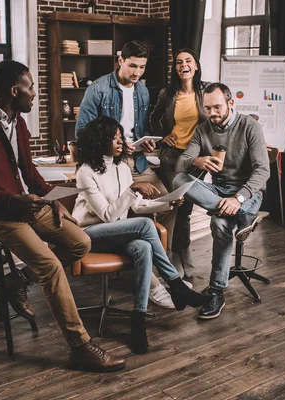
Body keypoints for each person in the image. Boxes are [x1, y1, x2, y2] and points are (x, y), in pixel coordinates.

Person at [0, 60, 125, 372]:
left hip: (28, 207)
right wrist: (12, 200)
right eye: (30, 86)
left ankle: (16, 281)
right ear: (13, 89)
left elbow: (29, 171)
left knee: (80, 242)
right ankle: (80, 347)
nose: (34, 93)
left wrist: (52, 199)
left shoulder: (17, 122)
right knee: (49, 265)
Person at [72, 116, 211, 354]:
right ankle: (176, 285)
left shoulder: (123, 168)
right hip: (89, 235)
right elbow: (107, 215)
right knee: (146, 227)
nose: (120, 142)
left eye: (120, 137)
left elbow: (135, 208)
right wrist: (132, 189)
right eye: (114, 138)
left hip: (117, 233)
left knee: (144, 247)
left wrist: (168, 204)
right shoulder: (85, 172)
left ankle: (138, 319)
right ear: (99, 140)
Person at [76, 40, 178, 309]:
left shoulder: (142, 91)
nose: (137, 73)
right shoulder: (98, 89)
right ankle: (157, 283)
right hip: (109, 162)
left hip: (136, 162)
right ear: (120, 60)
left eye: (142, 67)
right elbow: (82, 133)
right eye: (132, 65)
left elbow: (141, 127)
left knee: (169, 203)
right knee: (125, 213)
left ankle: (156, 271)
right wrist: (115, 144)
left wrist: (146, 143)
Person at [173, 82, 270, 320]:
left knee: (219, 224)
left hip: (247, 193)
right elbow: (182, 162)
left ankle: (216, 290)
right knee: (179, 180)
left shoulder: (250, 126)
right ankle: (242, 218)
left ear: (230, 103)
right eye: (208, 109)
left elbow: (263, 171)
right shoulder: (203, 129)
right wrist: (195, 162)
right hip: (218, 190)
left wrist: (238, 198)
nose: (212, 113)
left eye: (217, 107)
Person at [150, 48, 207, 281]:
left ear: (195, 66)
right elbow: (153, 117)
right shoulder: (168, 93)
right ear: (176, 68)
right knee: (178, 207)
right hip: (172, 157)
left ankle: (180, 256)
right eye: (178, 62)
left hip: (197, 158)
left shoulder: (205, 92)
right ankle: (177, 258)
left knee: (186, 208)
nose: (183, 65)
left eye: (188, 61)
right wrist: (163, 136)